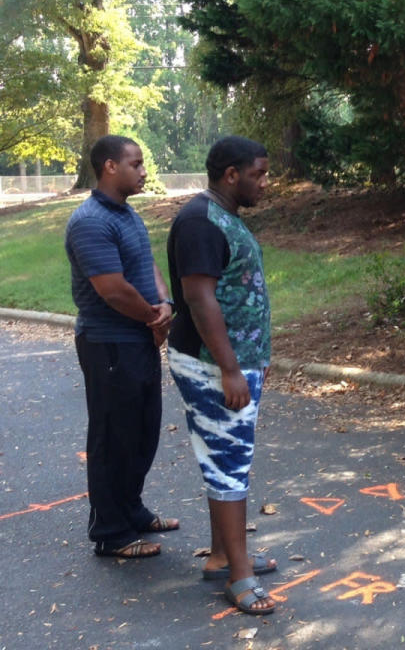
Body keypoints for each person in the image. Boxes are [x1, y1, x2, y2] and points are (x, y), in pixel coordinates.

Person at [166, 135, 276, 616]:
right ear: (231, 175)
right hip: (213, 366)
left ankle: (222, 557)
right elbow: (199, 298)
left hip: (235, 364)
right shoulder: (200, 221)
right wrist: (231, 368)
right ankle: (240, 576)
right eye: (259, 173)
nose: (265, 183)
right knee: (229, 465)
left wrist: (254, 358)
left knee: (226, 462)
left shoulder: (222, 216)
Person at [65, 134, 178, 559]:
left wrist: (165, 303)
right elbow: (112, 290)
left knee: (142, 430)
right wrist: (154, 318)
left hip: (137, 339)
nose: (144, 171)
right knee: (113, 436)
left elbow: (145, 265)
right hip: (108, 343)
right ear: (110, 167)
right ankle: (110, 531)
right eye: (136, 163)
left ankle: (131, 510)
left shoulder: (127, 216)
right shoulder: (91, 220)